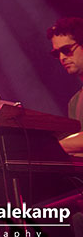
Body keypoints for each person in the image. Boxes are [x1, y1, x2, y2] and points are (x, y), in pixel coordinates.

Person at [48, 17, 83, 155]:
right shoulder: (74, 102)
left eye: (66, 50)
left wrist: (53, 147)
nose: (62, 58)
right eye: (57, 53)